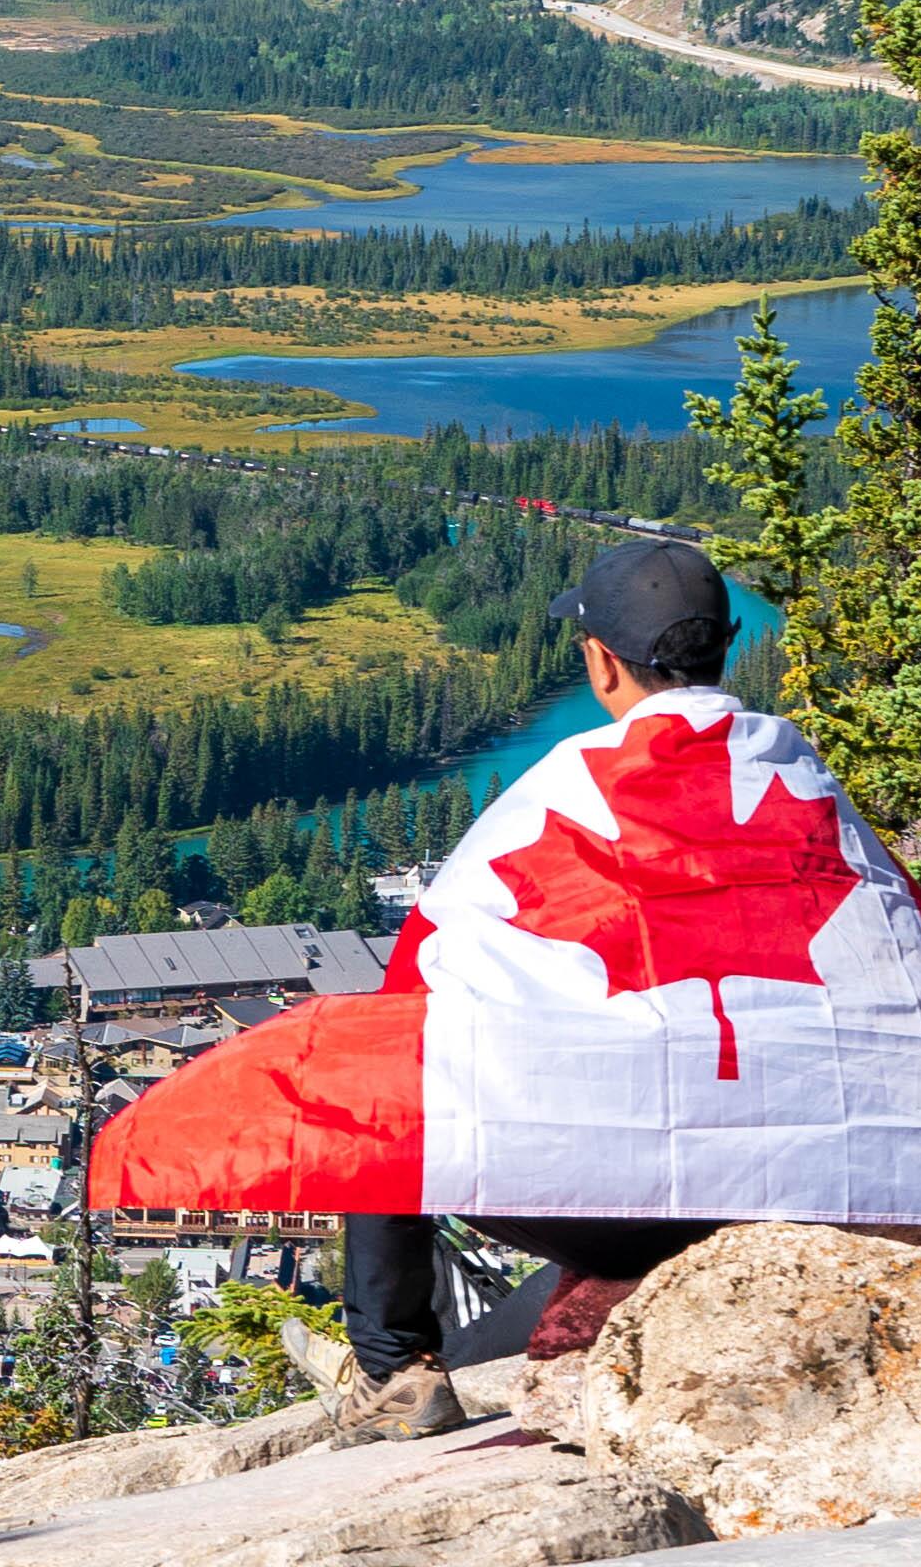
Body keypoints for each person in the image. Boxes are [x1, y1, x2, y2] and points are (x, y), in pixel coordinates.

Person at [330, 537, 739, 1438]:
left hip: (618, 1198)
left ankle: (395, 1369)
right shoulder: (799, 784)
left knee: (386, 1085)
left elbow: (415, 993)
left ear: (601, 662)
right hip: (790, 1175)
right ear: (727, 645)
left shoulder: (566, 792)